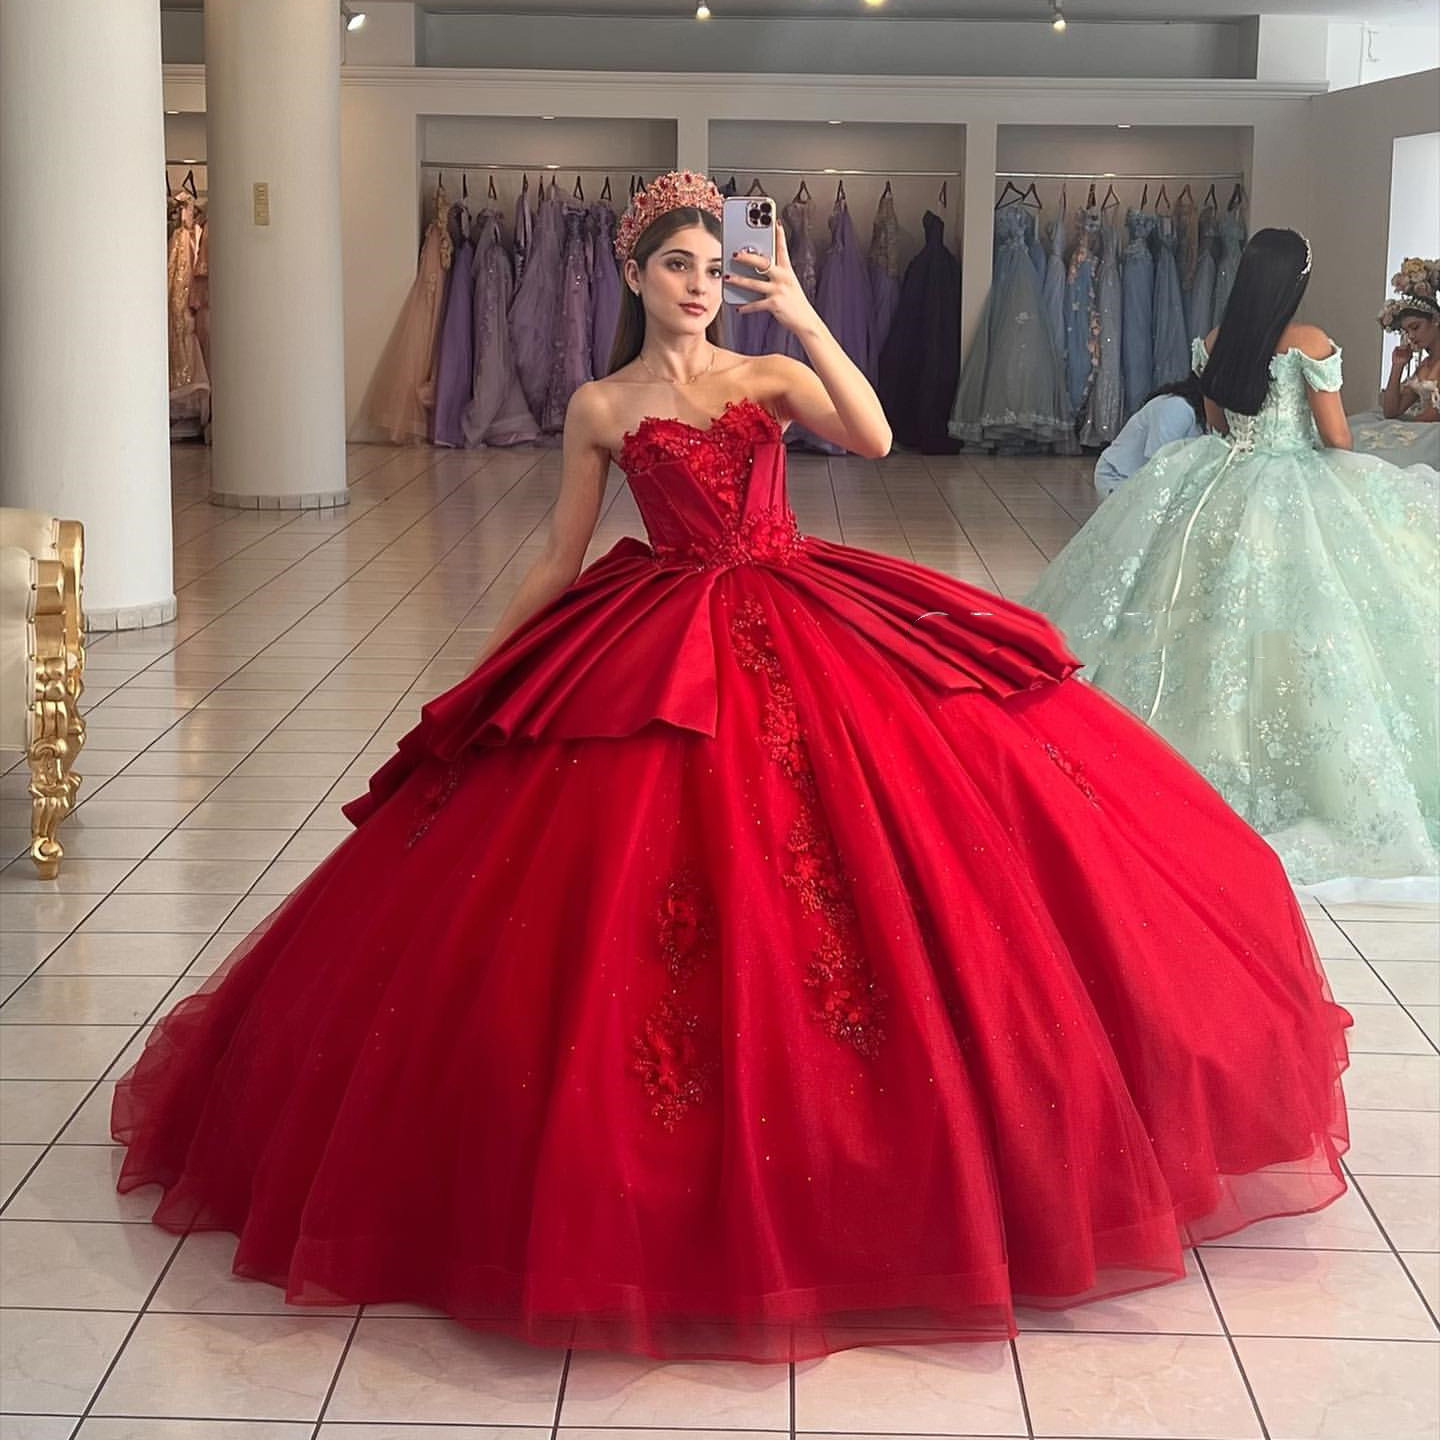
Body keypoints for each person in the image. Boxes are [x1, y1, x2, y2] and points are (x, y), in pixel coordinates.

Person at [113, 179, 1349, 1365]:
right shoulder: (602, 405)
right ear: (635, 276)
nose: (700, 285)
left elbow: (869, 437)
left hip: (801, 609)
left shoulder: (769, 372)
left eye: (712, 267)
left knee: (906, 839)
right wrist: (485, 667)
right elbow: (558, 554)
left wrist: (803, 309)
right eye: (677, 267)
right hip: (656, 638)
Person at [1030, 228, 1439, 900]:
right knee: (1313, 622)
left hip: (1218, 480)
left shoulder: (1217, 340)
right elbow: (1336, 435)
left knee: (1194, 614)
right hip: (1294, 482)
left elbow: (1218, 423)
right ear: (1294, 280)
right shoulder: (1308, 341)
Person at [1348, 259, 1440, 469]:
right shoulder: (1425, 364)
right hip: (1420, 426)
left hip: (1433, 435)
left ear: (1435, 320)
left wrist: (1395, 426)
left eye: (1416, 327)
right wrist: (1397, 366)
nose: (1411, 336)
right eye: (1407, 331)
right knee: (1354, 437)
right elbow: (1392, 410)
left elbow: (1431, 416)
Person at [1093, 372, 1206, 497]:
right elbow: (1159, 464)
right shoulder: (1177, 408)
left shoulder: (1192, 412)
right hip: (1120, 476)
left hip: (1152, 478)